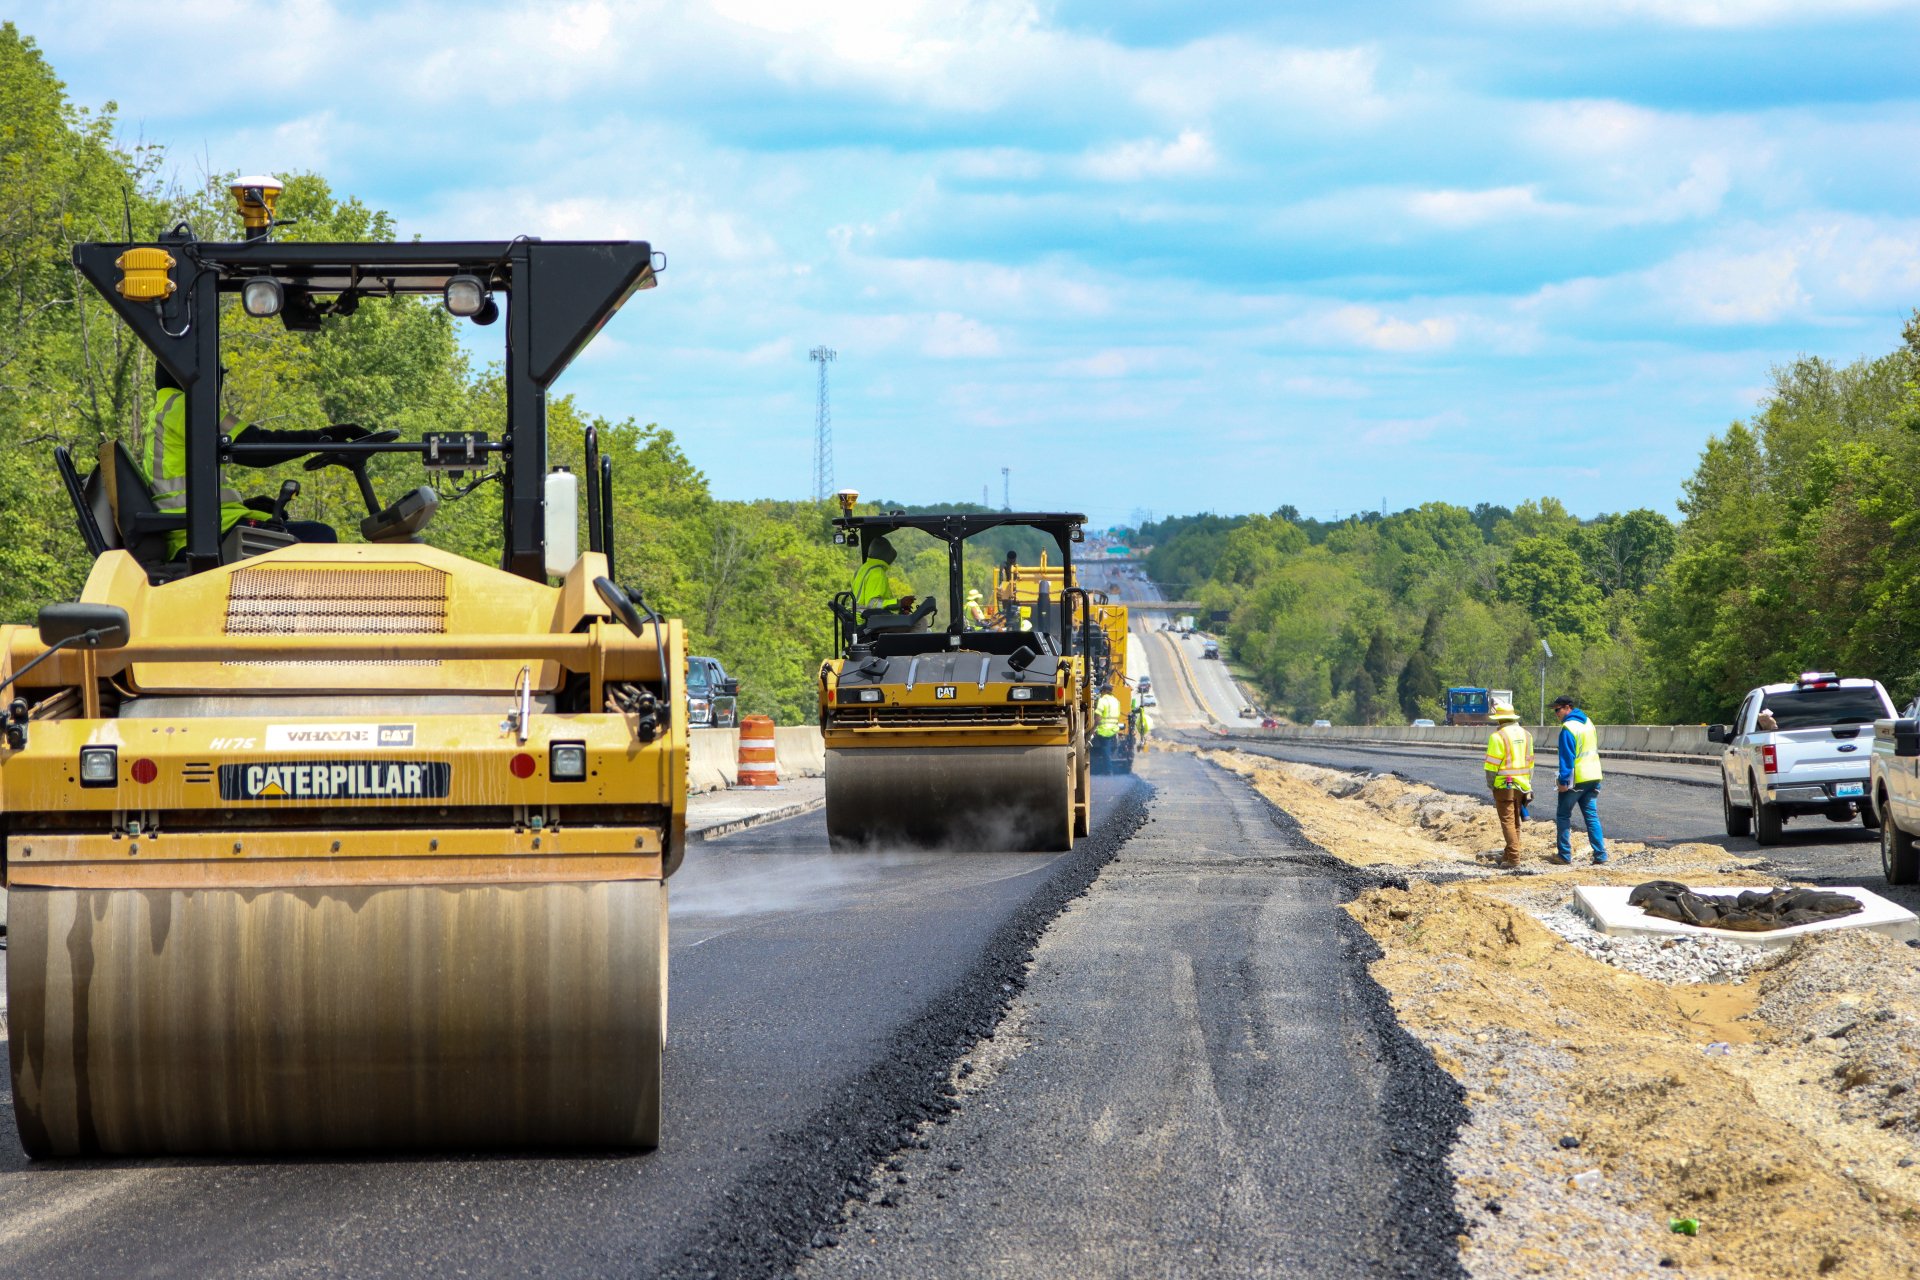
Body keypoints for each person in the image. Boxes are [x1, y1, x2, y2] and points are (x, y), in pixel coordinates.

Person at [151, 365, 351, 554]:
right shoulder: (187, 408)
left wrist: (247, 505)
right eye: (217, 371)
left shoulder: (165, 411)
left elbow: (183, 488)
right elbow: (257, 447)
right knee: (320, 535)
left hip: (196, 530)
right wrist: (324, 437)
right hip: (206, 536)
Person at [1551, 694, 1607, 865]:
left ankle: (1564, 855)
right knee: (1591, 817)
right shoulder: (1588, 722)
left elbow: (1567, 759)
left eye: (1558, 710)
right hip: (1594, 776)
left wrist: (1563, 782)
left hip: (1577, 779)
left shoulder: (1568, 728)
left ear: (1568, 707)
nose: (1556, 713)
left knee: (1563, 815)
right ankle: (1601, 855)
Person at [1482, 703, 1534, 867]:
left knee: (1508, 822)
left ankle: (1513, 859)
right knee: (1516, 823)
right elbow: (1530, 763)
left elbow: (1491, 766)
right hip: (1522, 785)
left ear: (1500, 719)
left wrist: (1492, 786)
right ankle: (1508, 855)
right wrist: (1527, 783)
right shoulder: (1527, 735)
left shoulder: (1498, 737)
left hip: (1504, 786)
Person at [851, 535, 899, 612]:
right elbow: (873, 605)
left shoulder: (862, 569)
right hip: (867, 619)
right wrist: (899, 603)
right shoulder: (877, 573)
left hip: (859, 617)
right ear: (886, 555)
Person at [1092, 681, 1122, 765]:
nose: (1101, 693)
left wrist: (1093, 729)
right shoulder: (1116, 701)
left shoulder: (1102, 700)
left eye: (1101, 691)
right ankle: (1108, 766)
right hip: (1113, 729)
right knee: (1107, 747)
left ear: (1104, 691)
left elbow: (1098, 717)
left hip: (1104, 730)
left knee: (1105, 748)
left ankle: (1108, 769)